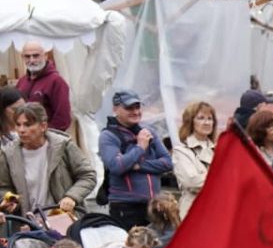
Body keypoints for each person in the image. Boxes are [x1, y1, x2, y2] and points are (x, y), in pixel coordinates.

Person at [0, 101, 95, 223]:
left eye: (28, 125)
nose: (21, 130)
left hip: (63, 219)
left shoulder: (63, 146)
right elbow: (3, 186)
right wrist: (10, 199)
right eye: (18, 125)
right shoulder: (8, 153)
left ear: (43, 126)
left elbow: (88, 175)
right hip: (28, 223)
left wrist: (72, 196)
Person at [99, 91, 173, 229]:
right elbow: (117, 166)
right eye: (129, 108)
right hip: (126, 208)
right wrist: (140, 147)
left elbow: (168, 163)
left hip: (154, 205)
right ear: (115, 109)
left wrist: (139, 166)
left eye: (137, 107)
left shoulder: (148, 131)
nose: (135, 111)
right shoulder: (108, 136)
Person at [15, 42, 71, 132]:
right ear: (22, 57)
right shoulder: (22, 82)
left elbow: (62, 119)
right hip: (24, 138)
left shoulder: (56, 81)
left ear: (45, 56)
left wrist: (43, 137)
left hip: (46, 140)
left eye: (36, 56)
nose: (32, 60)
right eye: (27, 56)